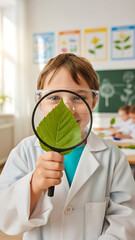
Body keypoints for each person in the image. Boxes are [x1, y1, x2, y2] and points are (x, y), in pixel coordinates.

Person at [0, 53, 135, 240]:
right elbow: (6, 219)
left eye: (79, 97)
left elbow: (125, 221)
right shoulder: (25, 152)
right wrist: (34, 185)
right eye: (54, 97)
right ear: (40, 103)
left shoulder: (113, 157)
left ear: (94, 101)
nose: (67, 108)